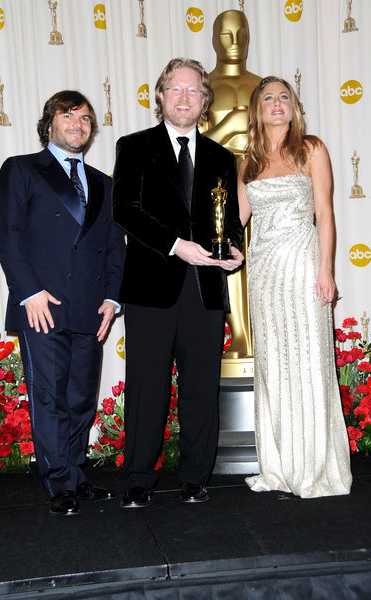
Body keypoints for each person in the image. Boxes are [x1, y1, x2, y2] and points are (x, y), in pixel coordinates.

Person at [112, 58, 244, 508]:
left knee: (201, 387)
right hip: (152, 285)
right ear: (161, 96)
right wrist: (175, 245)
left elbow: (227, 223)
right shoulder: (134, 146)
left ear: (205, 102)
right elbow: (125, 209)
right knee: (147, 385)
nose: (184, 97)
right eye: (176, 89)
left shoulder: (223, 158)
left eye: (193, 91)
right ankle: (137, 478)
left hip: (206, 288)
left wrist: (237, 249)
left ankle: (195, 476)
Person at [0, 90, 126, 516]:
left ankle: (76, 474)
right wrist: (28, 292)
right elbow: (6, 233)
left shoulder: (105, 184)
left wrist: (111, 298)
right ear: (49, 123)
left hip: (89, 307)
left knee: (81, 397)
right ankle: (58, 483)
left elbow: (113, 248)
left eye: (86, 119)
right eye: (68, 116)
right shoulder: (22, 170)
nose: (78, 124)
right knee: (48, 396)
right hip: (42, 305)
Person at [238, 76, 352, 498]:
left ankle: (315, 468)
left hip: (304, 268)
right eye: (268, 97)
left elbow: (325, 213)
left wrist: (327, 270)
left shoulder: (311, 149)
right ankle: (280, 466)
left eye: (284, 96)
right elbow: (236, 223)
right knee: (274, 365)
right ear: (258, 109)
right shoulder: (246, 162)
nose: (277, 102)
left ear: (294, 105)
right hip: (264, 275)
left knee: (308, 362)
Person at [201, 8, 262, 365]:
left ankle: (264, 334)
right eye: (226, 35)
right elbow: (194, 144)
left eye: (241, 33)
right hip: (221, 186)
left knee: (264, 260)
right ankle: (240, 334)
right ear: (213, 39)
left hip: (263, 180)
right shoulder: (204, 87)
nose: (235, 42)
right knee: (232, 260)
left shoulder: (262, 85)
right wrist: (229, 129)